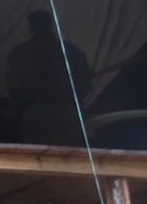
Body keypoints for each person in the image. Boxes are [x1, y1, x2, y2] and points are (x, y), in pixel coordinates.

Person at [5, 9, 93, 146]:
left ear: (31, 27)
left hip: (38, 115)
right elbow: (86, 82)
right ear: (50, 24)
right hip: (66, 113)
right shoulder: (70, 50)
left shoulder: (20, 53)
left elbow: (13, 86)